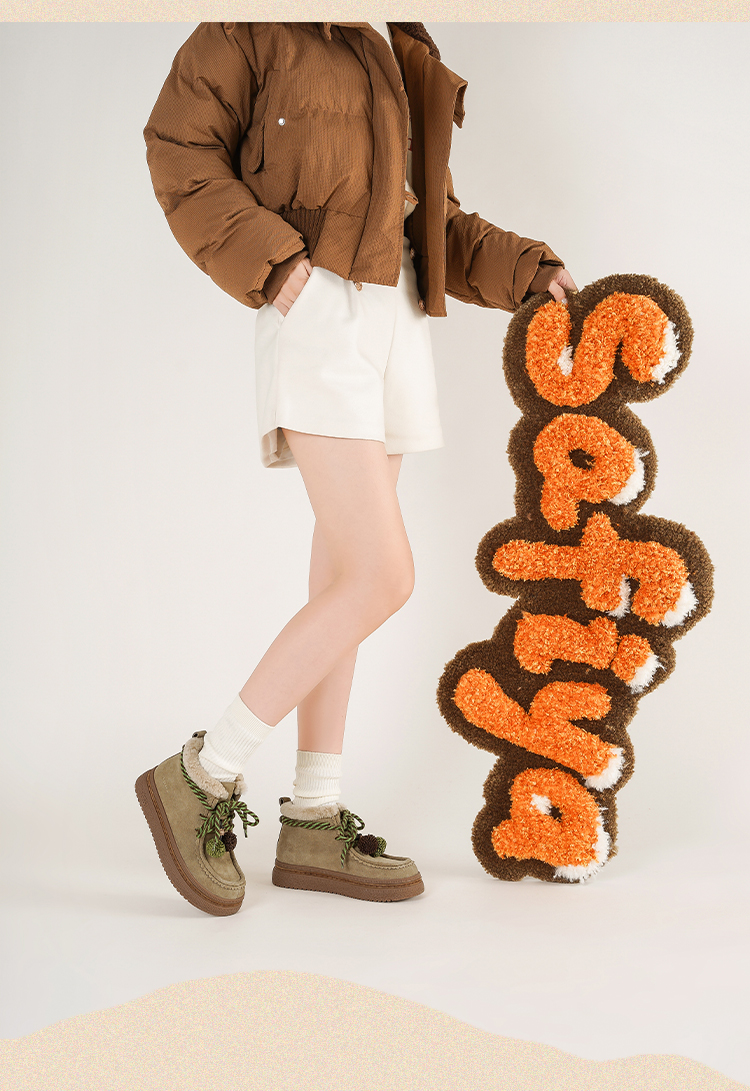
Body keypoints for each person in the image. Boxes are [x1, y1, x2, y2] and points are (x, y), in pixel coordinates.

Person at [135, 21, 578, 916]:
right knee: (384, 575)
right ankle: (203, 771)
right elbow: (178, 145)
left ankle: (313, 813)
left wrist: (532, 271)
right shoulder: (257, 24)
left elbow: (430, 220)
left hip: (397, 318)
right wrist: (274, 263)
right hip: (318, 311)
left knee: (346, 574)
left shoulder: (395, 39)